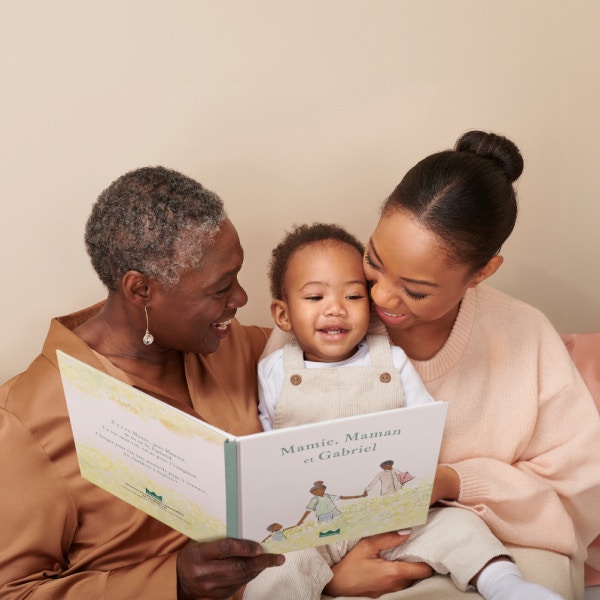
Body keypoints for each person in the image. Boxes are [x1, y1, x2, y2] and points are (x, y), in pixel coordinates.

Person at [0, 166, 288, 600]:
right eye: (220, 288)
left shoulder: (229, 345)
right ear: (140, 291)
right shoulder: (27, 420)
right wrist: (172, 582)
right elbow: (13, 591)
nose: (242, 299)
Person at [245, 222, 564, 600]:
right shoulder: (275, 369)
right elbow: (266, 440)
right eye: (315, 298)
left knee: (460, 526)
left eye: (352, 296)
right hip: (316, 524)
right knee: (276, 564)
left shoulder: (390, 360)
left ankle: (507, 586)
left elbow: (424, 425)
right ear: (283, 316)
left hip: (389, 510)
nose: (335, 309)